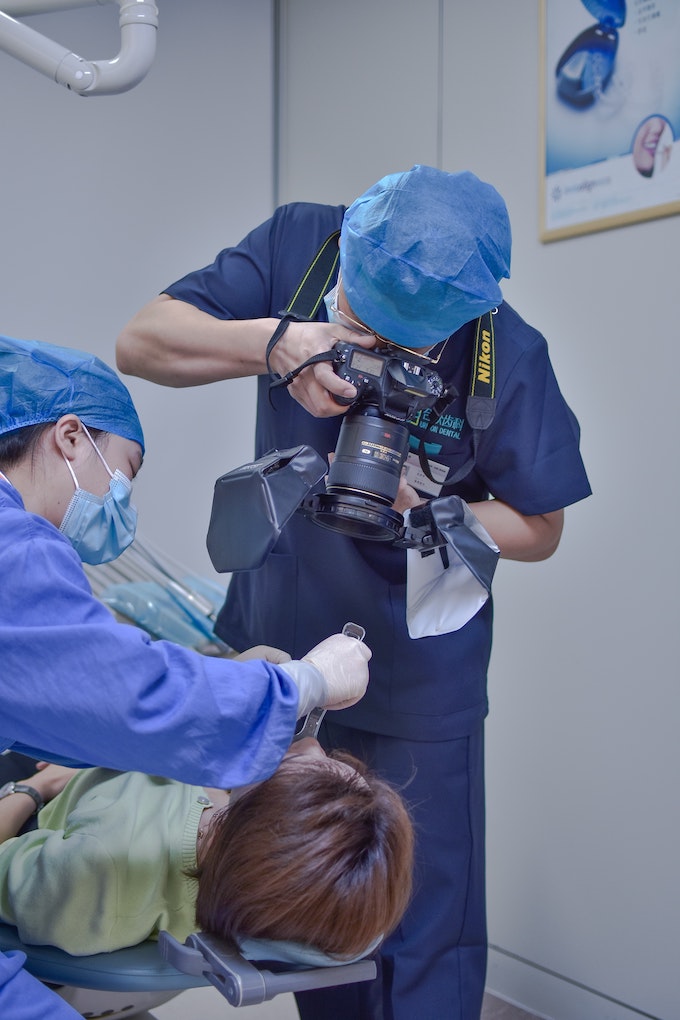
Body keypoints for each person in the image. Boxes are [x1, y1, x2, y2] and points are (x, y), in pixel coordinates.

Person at [116, 164, 592, 1020]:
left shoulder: (504, 351)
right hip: (284, 652)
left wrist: (438, 508)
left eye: (399, 343)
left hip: (420, 673)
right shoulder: (303, 243)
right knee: (316, 911)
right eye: (356, 319)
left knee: (425, 929)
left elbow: (542, 525)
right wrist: (277, 342)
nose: (369, 343)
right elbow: (144, 342)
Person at [0, 333, 371, 1019]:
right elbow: (124, 694)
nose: (121, 500)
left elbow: (95, 685)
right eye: (127, 472)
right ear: (71, 438)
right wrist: (302, 686)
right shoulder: (12, 553)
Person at [0, 738, 413, 961]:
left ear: (262, 831)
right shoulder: (233, 836)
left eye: (308, 771)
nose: (310, 745)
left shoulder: (99, 866)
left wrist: (35, 788)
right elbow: (362, 936)